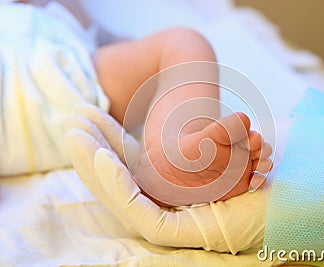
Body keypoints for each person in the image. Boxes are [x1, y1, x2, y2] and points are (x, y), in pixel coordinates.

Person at [0, 1, 273, 206]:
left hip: (60, 67)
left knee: (178, 44)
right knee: (181, 43)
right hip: (71, 77)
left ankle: (172, 164)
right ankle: (172, 155)